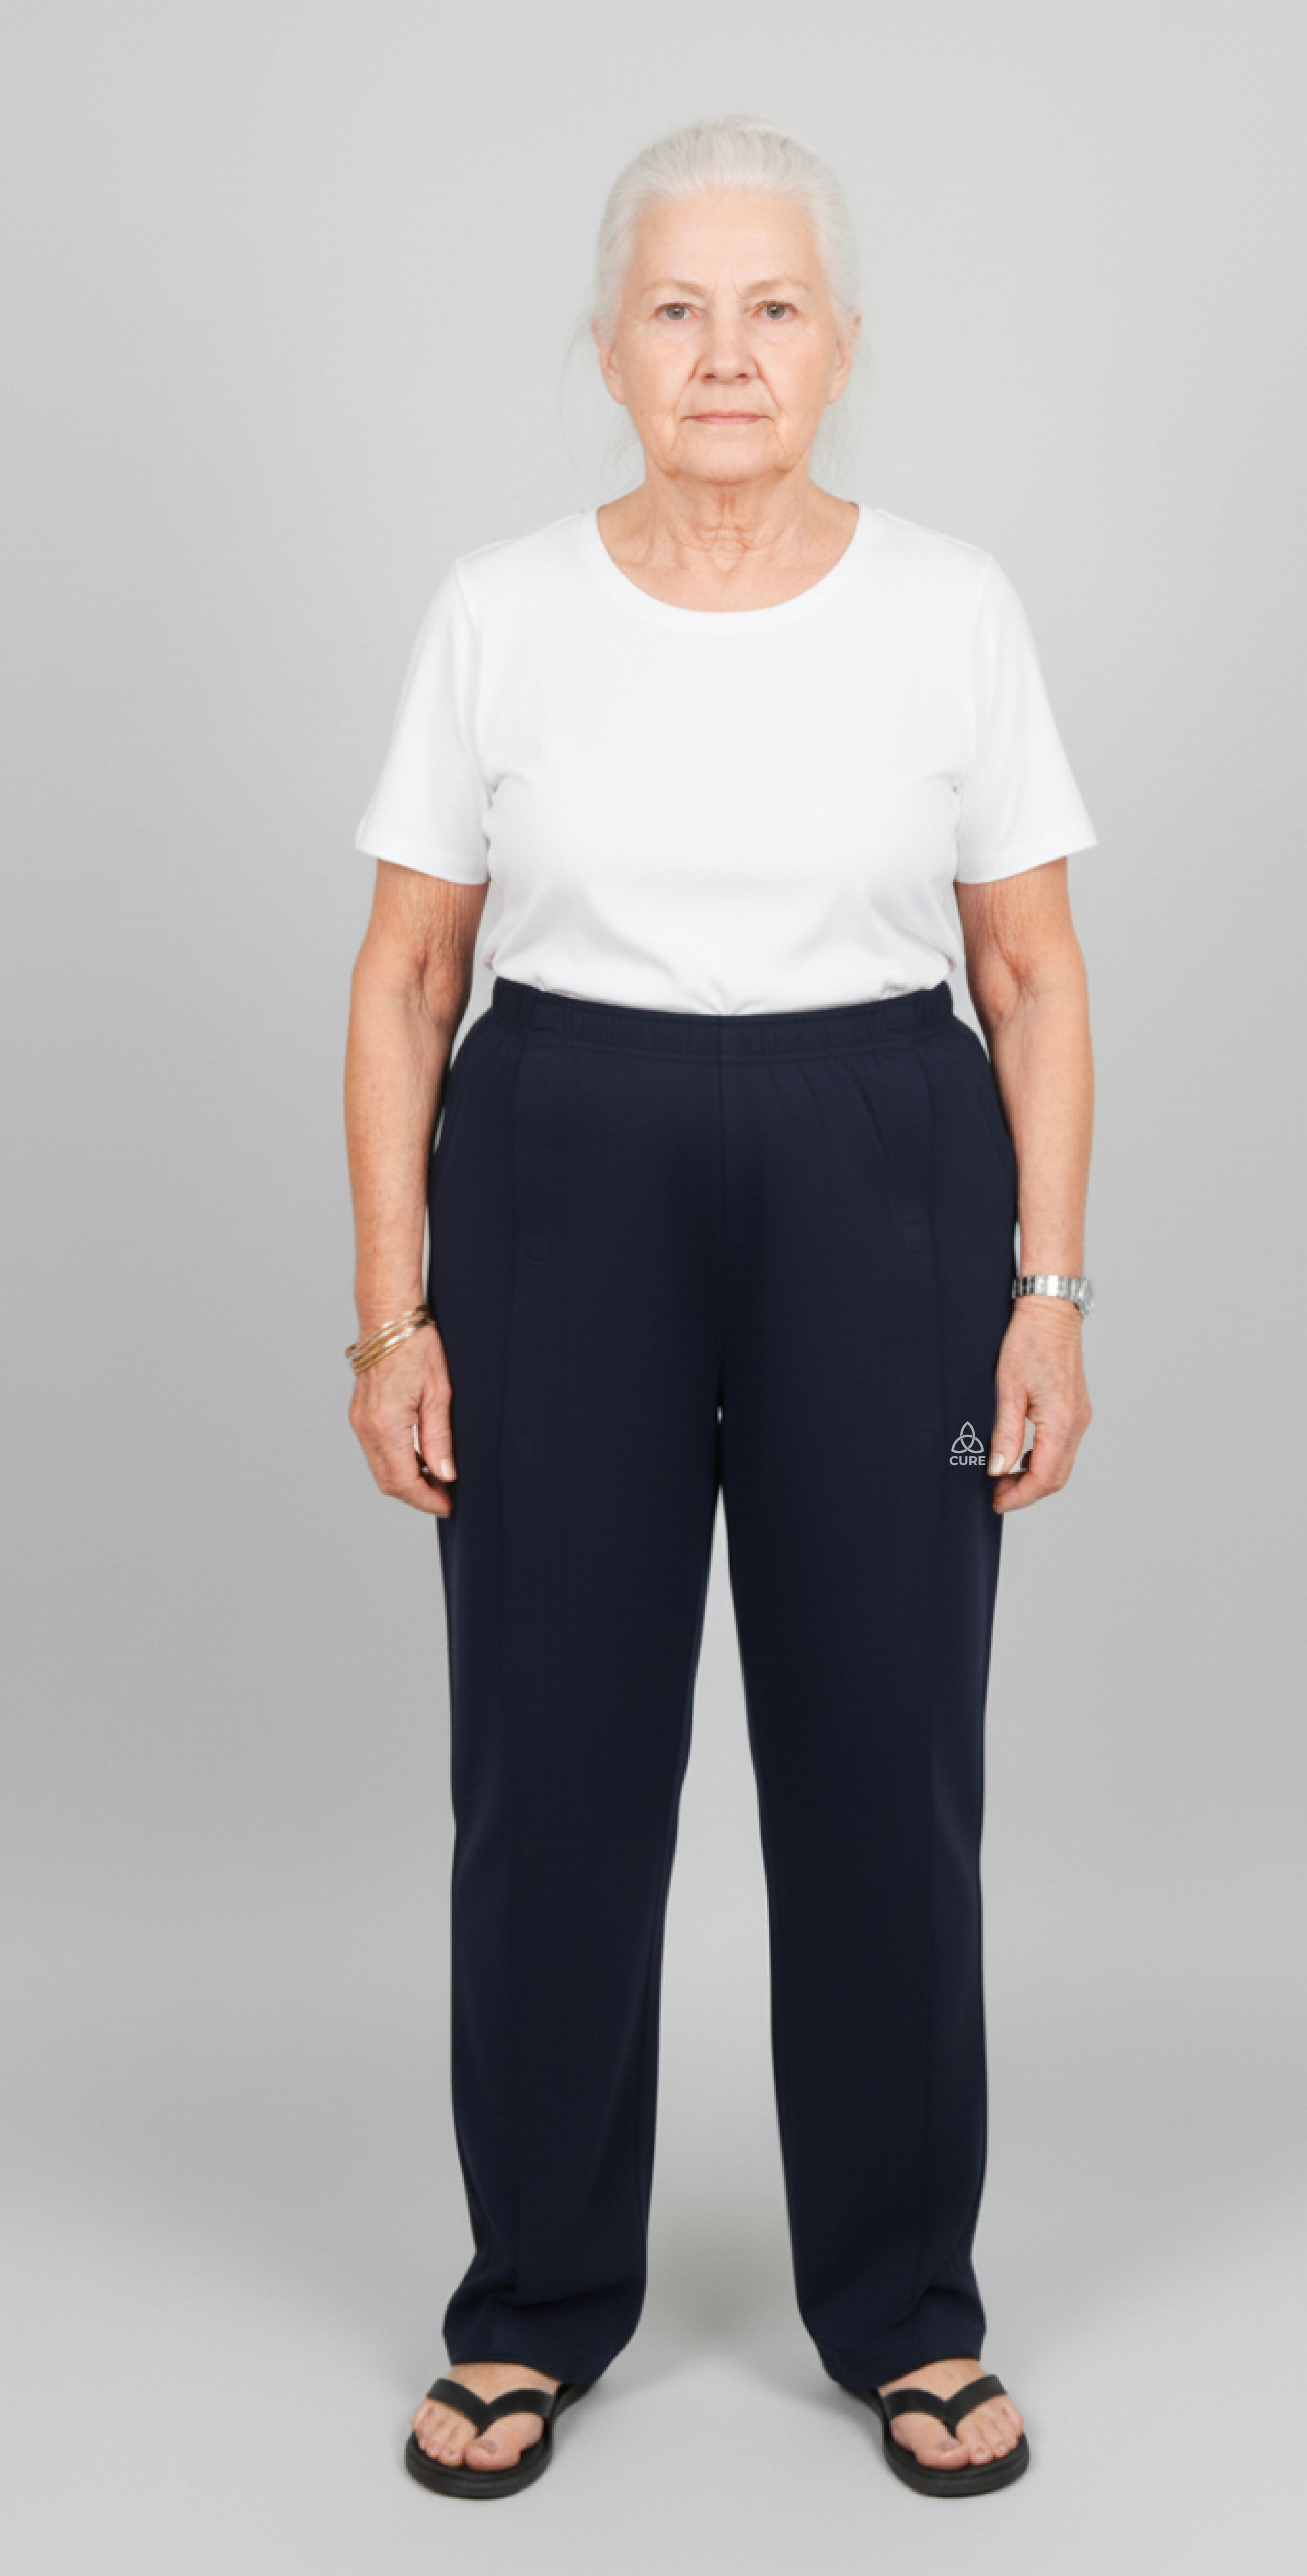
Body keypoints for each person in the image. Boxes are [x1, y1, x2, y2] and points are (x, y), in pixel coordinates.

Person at [344, 111, 1098, 2502]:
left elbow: (1033, 973)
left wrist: (1050, 1290)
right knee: (550, 1764)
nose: (726, 352)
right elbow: (405, 978)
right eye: (677, 309)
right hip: (562, 1173)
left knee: (886, 1757)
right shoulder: (499, 610)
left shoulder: (953, 607)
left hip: (883, 1176)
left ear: (841, 344)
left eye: (774, 307)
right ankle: (532, 2300)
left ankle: (907, 2302)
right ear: (607, 349)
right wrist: (391, 1314)